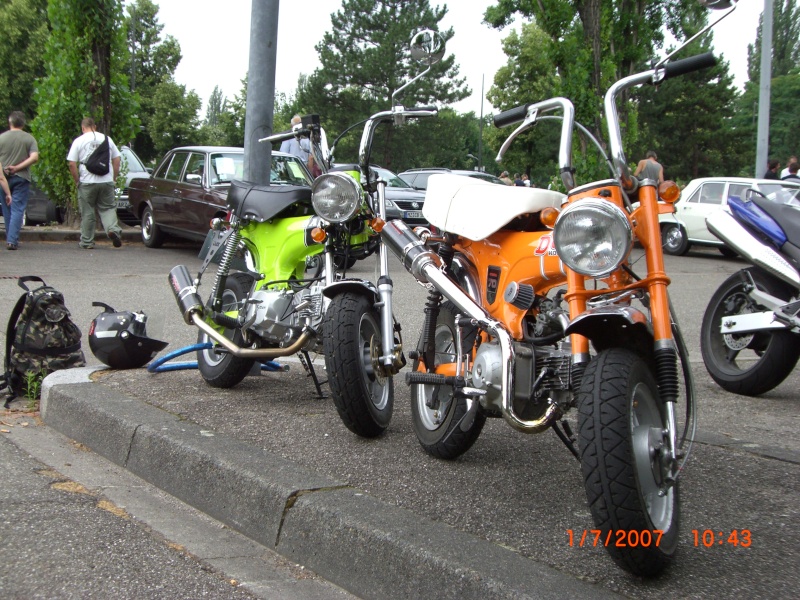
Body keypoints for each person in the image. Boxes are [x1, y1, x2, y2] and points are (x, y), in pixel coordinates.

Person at [67, 117, 123, 249]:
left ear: (82, 128)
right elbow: (117, 159)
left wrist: (77, 180)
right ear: (95, 126)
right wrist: (114, 177)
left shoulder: (79, 141)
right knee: (108, 208)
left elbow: (71, 163)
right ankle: (113, 230)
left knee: (88, 211)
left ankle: (87, 242)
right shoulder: (107, 139)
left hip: (87, 181)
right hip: (106, 180)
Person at [0, 111, 39, 250]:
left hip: (3, 177)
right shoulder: (29, 139)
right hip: (21, 177)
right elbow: (34, 157)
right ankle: (12, 240)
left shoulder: (2, 138)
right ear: (23, 123)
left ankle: (10, 238)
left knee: (7, 208)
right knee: (17, 209)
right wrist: (17, 168)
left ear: (10, 122)